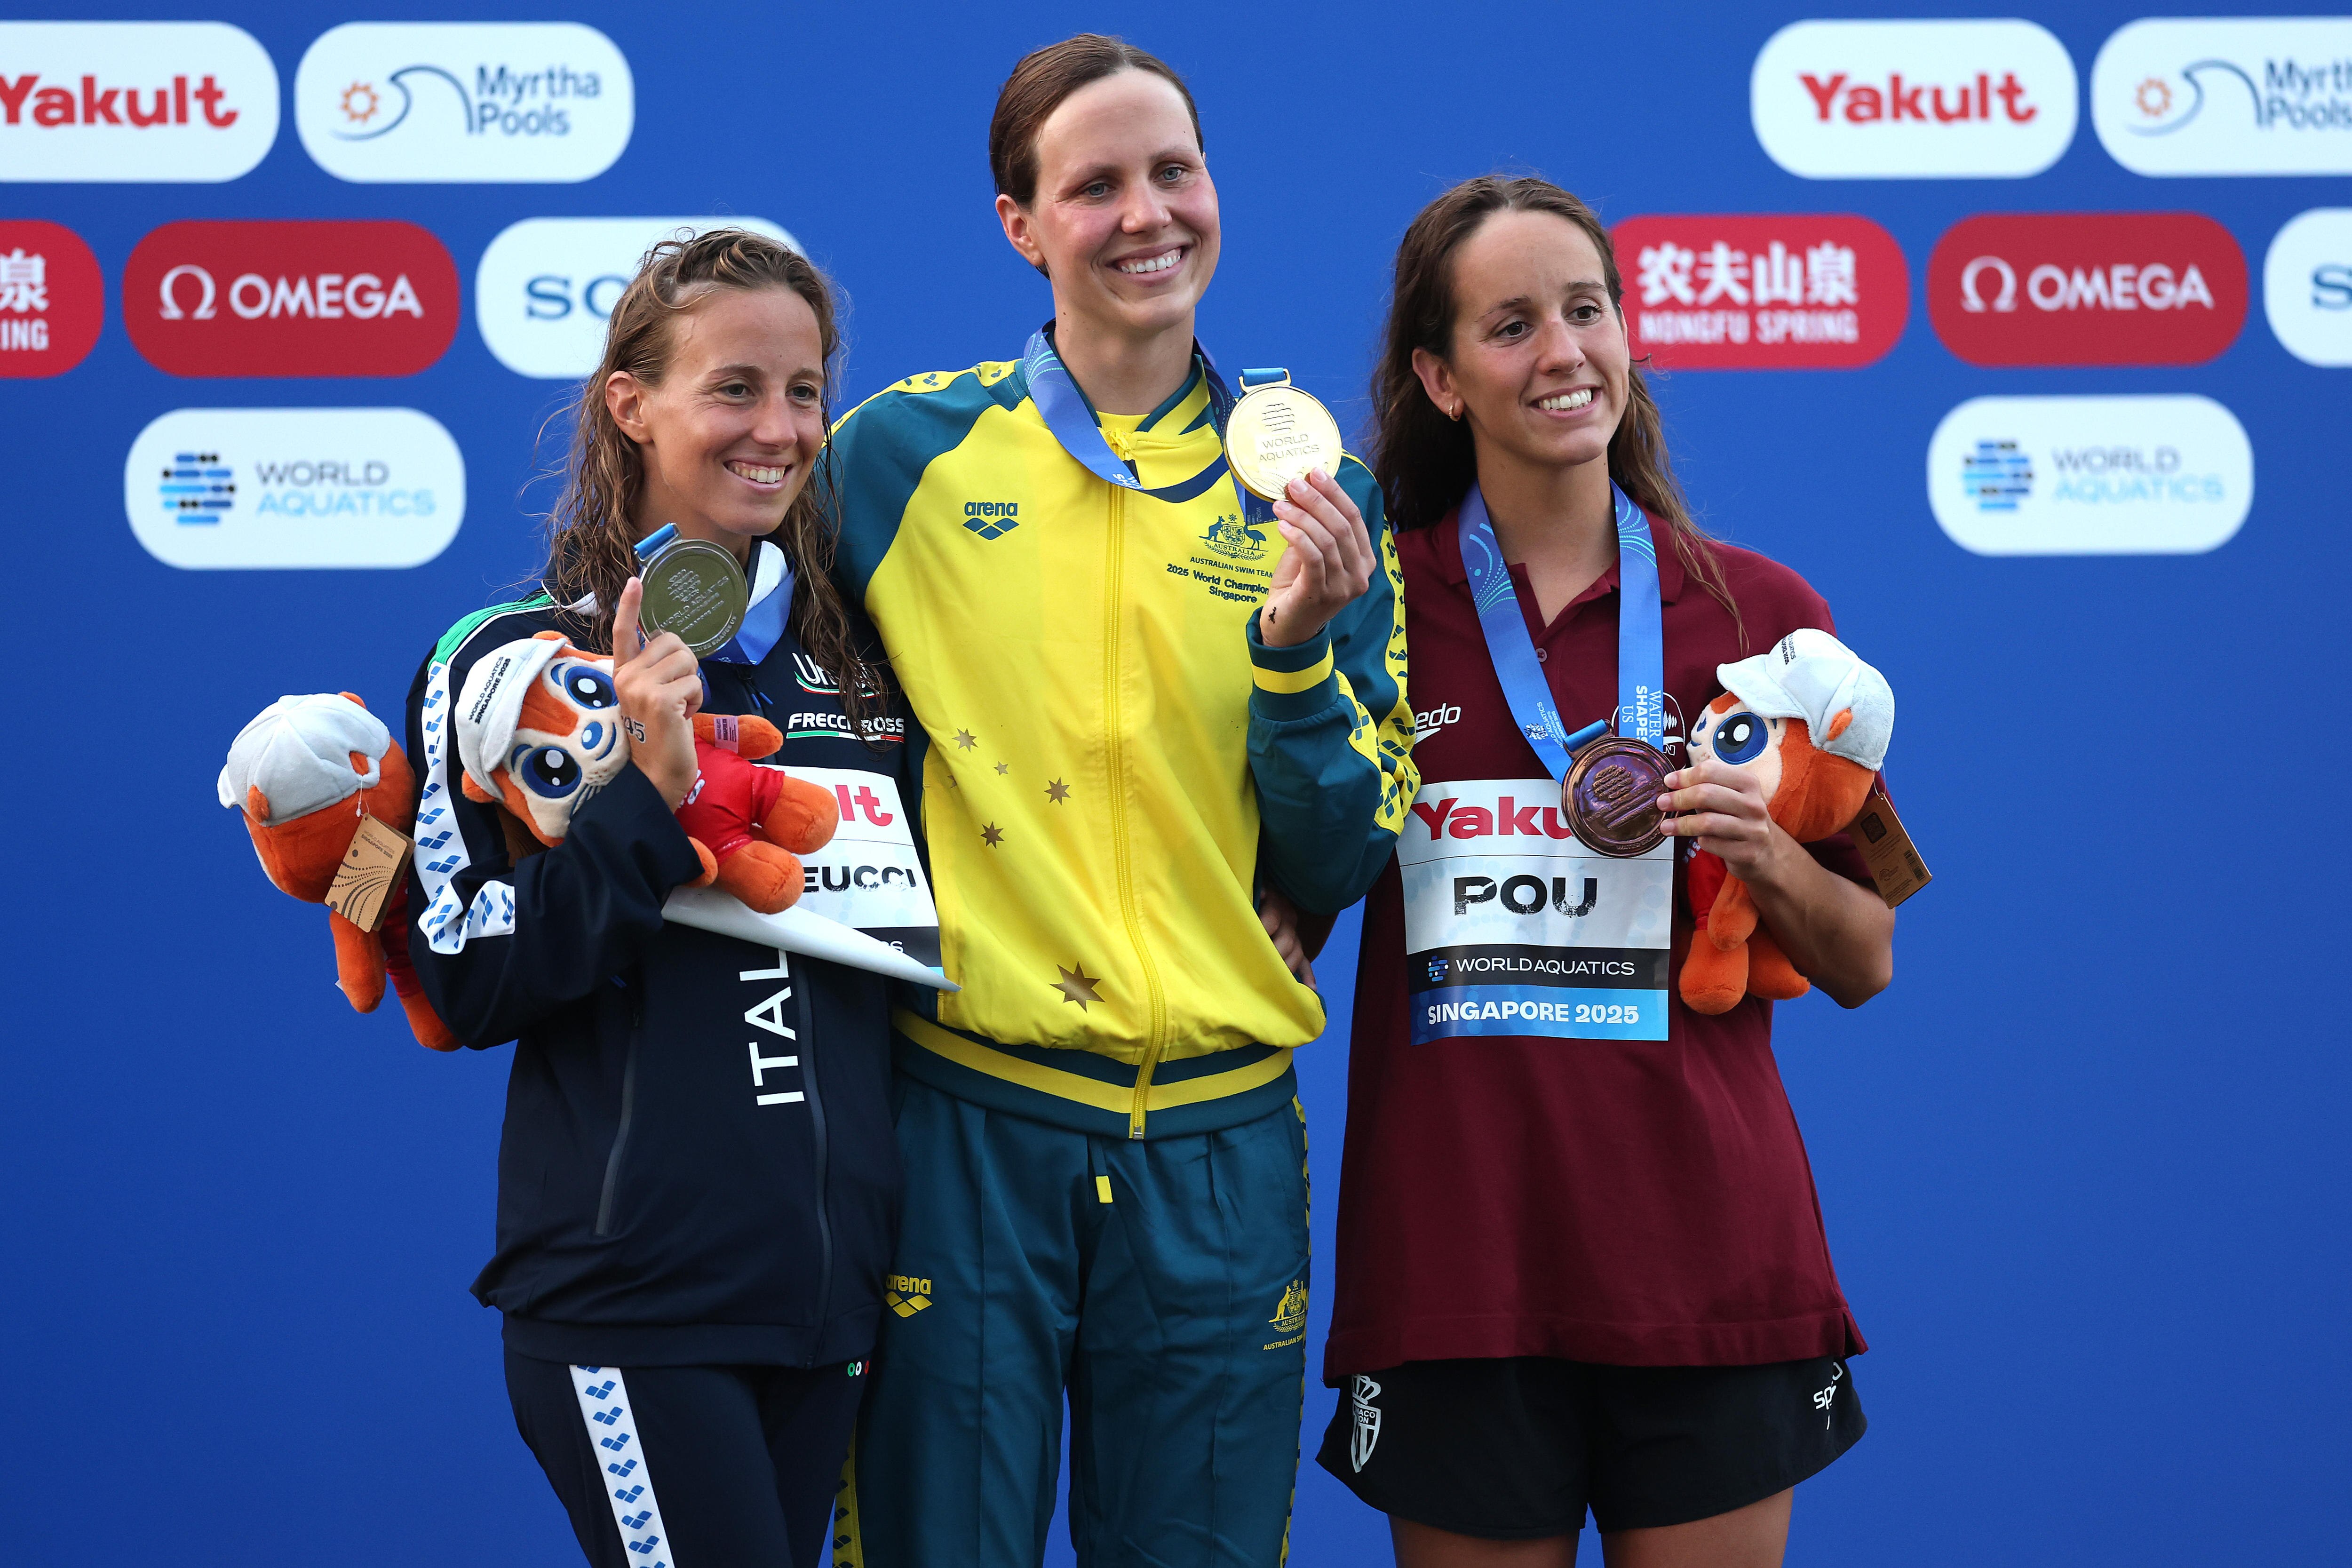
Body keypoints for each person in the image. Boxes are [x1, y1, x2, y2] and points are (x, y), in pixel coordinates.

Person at [823, 34, 1417, 1568]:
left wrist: (1290, 662)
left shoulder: (1314, 488)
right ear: (1021, 226)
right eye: (1095, 186)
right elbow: (727, 653)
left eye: (1176, 171)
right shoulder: (897, 456)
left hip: (1219, 1146)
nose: (1149, 213)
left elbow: (1351, 846)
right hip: (967, 1121)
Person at [1313, 177, 1894, 1567]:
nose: (1565, 352)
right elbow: (1292, 860)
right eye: (1511, 326)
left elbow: (1865, 957)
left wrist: (1767, 855)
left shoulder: (1765, 614)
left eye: (1587, 310)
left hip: (1708, 1258)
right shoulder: (1372, 608)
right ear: (1439, 380)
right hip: (1458, 1269)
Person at [403, 229, 908, 1568]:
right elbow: (466, 974)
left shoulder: (852, 671)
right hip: (634, 1307)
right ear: (631, 403)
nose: (781, 428)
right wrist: (652, 801)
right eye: (733, 387)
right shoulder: (512, 665)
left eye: (805, 392)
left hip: (829, 1306)